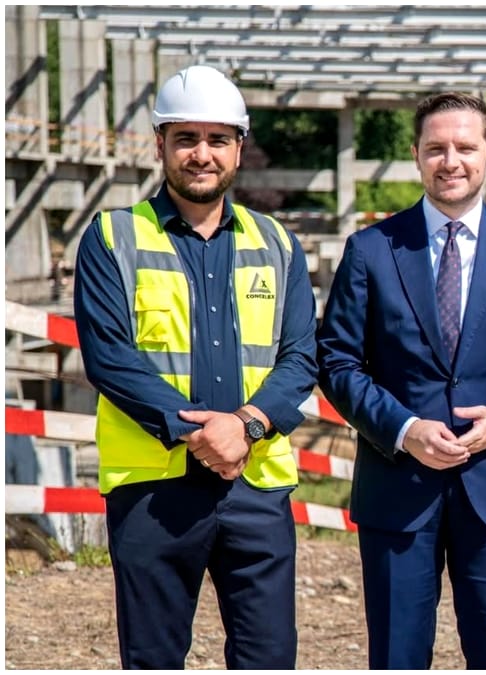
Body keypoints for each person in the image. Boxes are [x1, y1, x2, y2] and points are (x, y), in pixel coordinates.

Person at [316, 92, 486, 669]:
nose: (450, 161)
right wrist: (404, 429)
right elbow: (336, 362)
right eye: (436, 148)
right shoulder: (371, 250)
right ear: (416, 155)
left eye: (465, 147)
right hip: (397, 489)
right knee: (397, 657)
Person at [73, 64, 317, 669]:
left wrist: (247, 426)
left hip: (256, 487)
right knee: (154, 658)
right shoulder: (113, 237)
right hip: (153, 490)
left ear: (239, 147)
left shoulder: (278, 244)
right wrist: (202, 433)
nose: (201, 154)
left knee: (269, 659)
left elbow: (300, 357)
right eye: (186, 138)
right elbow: (110, 357)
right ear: (160, 144)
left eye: (217, 139)